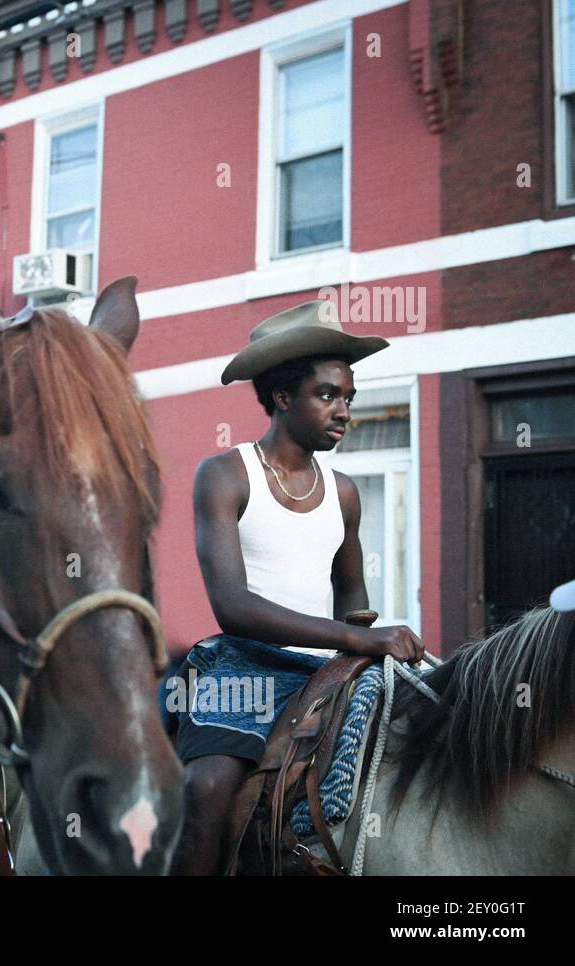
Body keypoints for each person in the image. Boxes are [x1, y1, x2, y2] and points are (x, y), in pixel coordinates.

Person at [169, 299, 426, 875]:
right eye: (328, 395)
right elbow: (232, 606)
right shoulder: (226, 474)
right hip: (242, 669)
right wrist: (360, 638)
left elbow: (352, 599)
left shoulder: (345, 493)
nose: (344, 412)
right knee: (207, 788)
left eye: (349, 398)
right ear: (283, 397)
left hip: (327, 675)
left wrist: (361, 637)